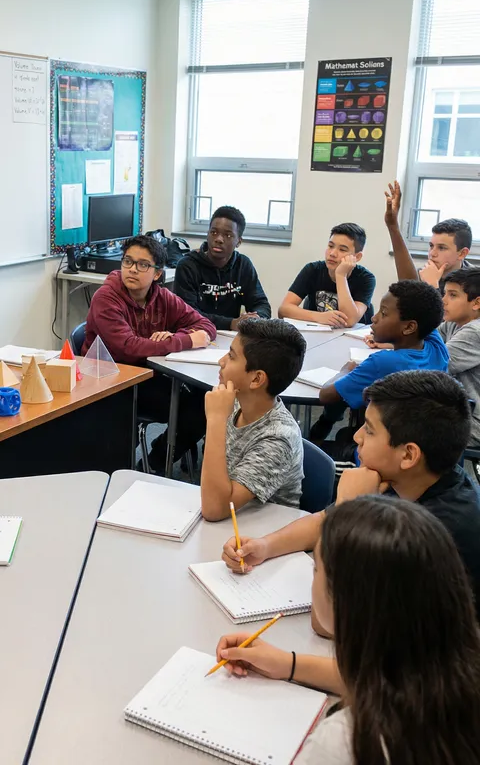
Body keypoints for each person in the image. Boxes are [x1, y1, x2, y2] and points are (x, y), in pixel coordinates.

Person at [216, 497, 480, 765]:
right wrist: (289, 664)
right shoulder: (452, 673)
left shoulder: (346, 742)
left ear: (346, 602)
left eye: (316, 569)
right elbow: (398, 678)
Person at [221, 370, 480, 619]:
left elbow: (331, 618)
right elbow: (322, 520)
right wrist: (265, 546)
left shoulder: (438, 534)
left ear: (409, 455)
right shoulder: (406, 477)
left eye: (368, 429)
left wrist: (348, 509)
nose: (356, 436)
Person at [83, 234, 217, 473]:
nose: (133, 270)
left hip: (146, 375)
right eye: (128, 261)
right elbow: (128, 347)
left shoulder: (161, 296)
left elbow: (206, 326)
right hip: (111, 381)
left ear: (157, 274)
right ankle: (155, 461)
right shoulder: (106, 297)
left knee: (207, 401)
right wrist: (185, 340)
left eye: (143, 265)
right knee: (194, 408)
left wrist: (173, 337)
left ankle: (155, 460)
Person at [312, 279, 448, 454]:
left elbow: (326, 395)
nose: (374, 318)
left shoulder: (382, 363)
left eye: (383, 313)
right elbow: (422, 304)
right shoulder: (438, 349)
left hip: (376, 455)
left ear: (409, 327)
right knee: (344, 433)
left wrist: (345, 371)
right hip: (416, 448)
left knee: (313, 454)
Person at [201, 318, 306, 521]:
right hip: (231, 525)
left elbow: (214, 510)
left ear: (257, 379)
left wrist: (215, 420)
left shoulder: (278, 438)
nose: (221, 361)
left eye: (231, 356)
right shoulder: (235, 403)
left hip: (262, 536)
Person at [173, 205, 271, 330]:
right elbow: (186, 314)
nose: (219, 239)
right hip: (196, 333)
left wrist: (256, 318)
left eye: (228, 235)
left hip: (231, 338)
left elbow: (261, 303)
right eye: (214, 232)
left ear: (239, 241)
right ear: (207, 234)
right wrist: (231, 323)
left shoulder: (243, 265)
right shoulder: (188, 266)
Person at [279, 223, 375, 328]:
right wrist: (319, 317)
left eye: (342, 249)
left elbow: (349, 320)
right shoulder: (312, 270)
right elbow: (283, 310)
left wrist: (341, 276)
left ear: (357, 257)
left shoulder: (366, 278)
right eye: (330, 246)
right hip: (317, 335)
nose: (333, 253)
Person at [384, 179, 472, 293]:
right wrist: (393, 226)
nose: (432, 254)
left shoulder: (474, 281)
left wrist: (432, 285)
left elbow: (443, 311)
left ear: (462, 253)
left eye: (442, 248)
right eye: (431, 246)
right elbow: (409, 295)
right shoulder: (425, 273)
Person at [440, 268, 480, 450]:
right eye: (444, 293)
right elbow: (422, 341)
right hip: (458, 409)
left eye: (453, 295)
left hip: (473, 421)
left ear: (476, 303)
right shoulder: (453, 323)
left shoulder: (475, 331)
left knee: (403, 422)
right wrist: (389, 343)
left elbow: (435, 363)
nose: (443, 300)